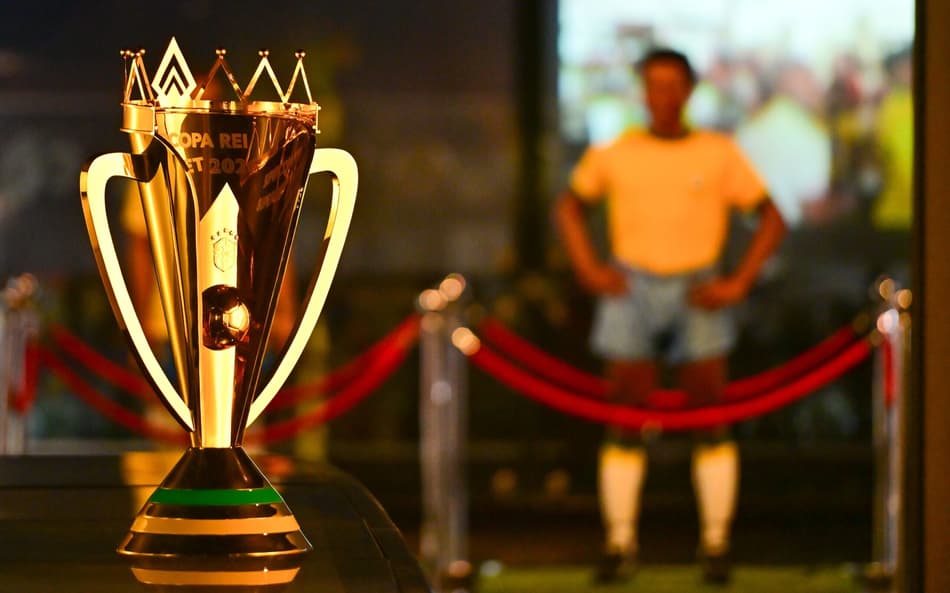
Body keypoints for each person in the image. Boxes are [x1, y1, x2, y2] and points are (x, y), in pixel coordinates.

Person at [553, 48, 786, 585]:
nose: (663, 95)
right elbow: (568, 207)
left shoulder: (718, 152)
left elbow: (772, 217)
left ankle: (716, 544)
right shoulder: (616, 152)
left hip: (697, 288)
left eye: (673, 84)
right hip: (631, 287)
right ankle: (619, 544)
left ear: (688, 90)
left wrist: (738, 283)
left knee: (710, 415)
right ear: (643, 90)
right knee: (625, 416)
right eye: (654, 84)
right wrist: (590, 271)